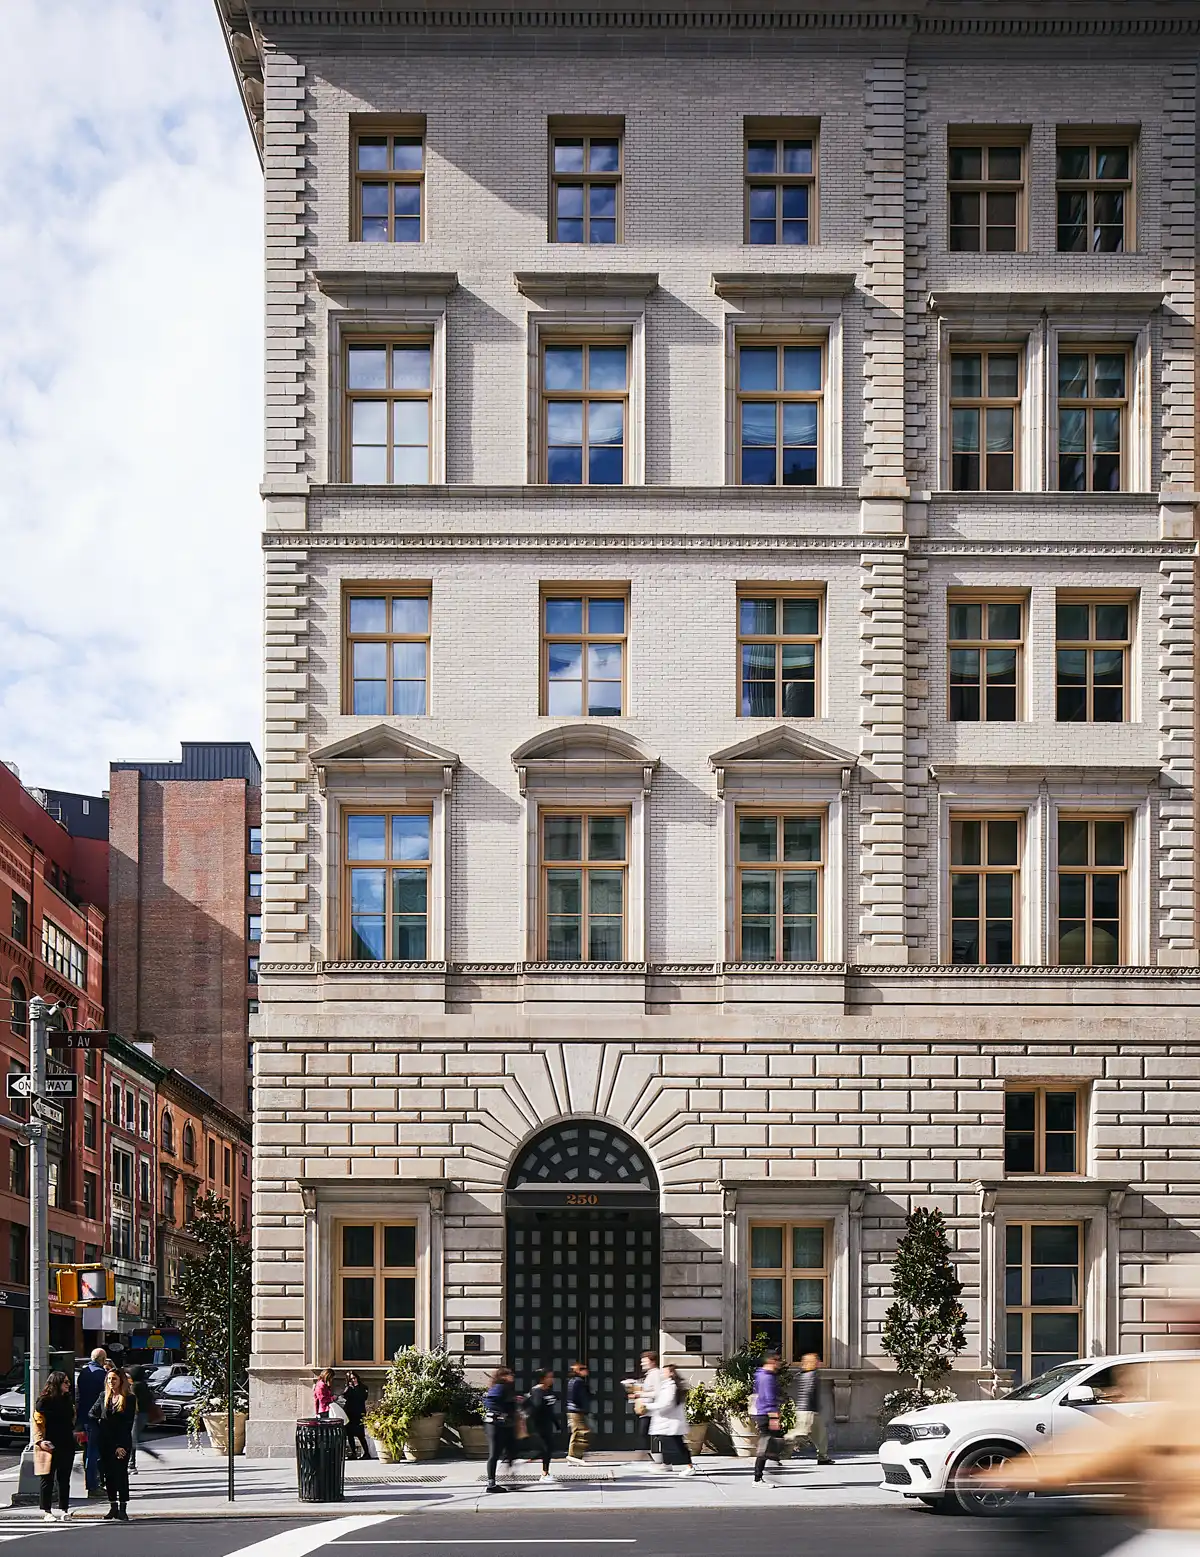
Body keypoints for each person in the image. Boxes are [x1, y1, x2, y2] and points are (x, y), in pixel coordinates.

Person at [90, 1367, 135, 1522]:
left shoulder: (129, 1398)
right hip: (106, 1441)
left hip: (121, 1442)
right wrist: (99, 1423)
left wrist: (120, 1445)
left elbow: (127, 1423)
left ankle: (123, 1508)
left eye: (114, 1379)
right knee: (108, 1474)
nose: (111, 1382)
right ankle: (113, 1506)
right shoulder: (103, 1396)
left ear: (120, 1380)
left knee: (120, 1474)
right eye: (109, 1379)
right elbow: (92, 1413)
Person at [34, 1371, 75, 1523]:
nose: (68, 1385)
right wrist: (39, 1441)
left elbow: (71, 1419)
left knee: (64, 1479)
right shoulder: (43, 1401)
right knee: (47, 1478)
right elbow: (37, 1423)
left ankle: (64, 1510)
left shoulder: (67, 1399)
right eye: (65, 1382)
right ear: (57, 1383)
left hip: (66, 1442)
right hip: (48, 1444)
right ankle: (47, 1511)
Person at [646, 1364, 695, 1477]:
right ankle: (666, 1464)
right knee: (664, 1442)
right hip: (666, 1422)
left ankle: (689, 1467)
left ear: (671, 1373)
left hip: (671, 1422)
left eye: (665, 1372)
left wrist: (648, 1406)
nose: (662, 1374)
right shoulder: (667, 1385)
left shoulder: (671, 1386)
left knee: (677, 1445)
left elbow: (666, 1403)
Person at [75, 1348, 108, 1499]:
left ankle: (93, 1483)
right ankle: (94, 1486)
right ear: (102, 1359)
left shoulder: (84, 1372)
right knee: (94, 1452)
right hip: (96, 1418)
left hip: (84, 1418)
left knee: (88, 1451)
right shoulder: (101, 1374)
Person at [751, 1351, 784, 1486]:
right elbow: (769, 1398)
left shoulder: (760, 1375)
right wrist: (774, 1416)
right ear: (771, 1361)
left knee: (770, 1442)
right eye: (777, 1361)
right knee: (765, 1446)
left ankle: (773, 1460)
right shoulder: (768, 1378)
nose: (779, 1364)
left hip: (761, 1412)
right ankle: (758, 1478)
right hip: (767, 1413)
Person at [795, 1353, 834, 1464]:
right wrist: (812, 1409)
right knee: (801, 1434)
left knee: (820, 1435)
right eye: (817, 1360)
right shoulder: (812, 1375)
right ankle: (782, 1449)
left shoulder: (802, 1374)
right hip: (809, 1410)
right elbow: (809, 1392)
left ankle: (823, 1457)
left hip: (805, 1410)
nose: (819, 1362)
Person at [483, 1366, 517, 1494]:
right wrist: (502, 1410)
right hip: (495, 1425)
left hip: (504, 1425)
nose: (512, 1377)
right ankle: (491, 1483)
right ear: (503, 1376)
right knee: (494, 1454)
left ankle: (510, 1479)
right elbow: (489, 1402)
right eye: (509, 1375)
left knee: (511, 1451)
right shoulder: (499, 1387)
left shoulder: (506, 1388)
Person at [526, 1368, 562, 1483]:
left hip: (547, 1423)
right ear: (542, 1378)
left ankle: (543, 1470)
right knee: (546, 1448)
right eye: (549, 1377)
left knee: (549, 1447)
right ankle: (544, 1474)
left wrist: (556, 1423)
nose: (552, 1379)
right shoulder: (537, 1391)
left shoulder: (548, 1390)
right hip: (539, 1424)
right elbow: (536, 1408)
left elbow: (550, 1410)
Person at [127, 1366, 160, 1473]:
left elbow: (131, 1401)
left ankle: (131, 1465)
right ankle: (152, 1455)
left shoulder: (135, 1386)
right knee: (135, 1439)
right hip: (143, 1415)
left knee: (133, 1440)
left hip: (136, 1415)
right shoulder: (144, 1385)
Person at [636, 1351, 662, 1462]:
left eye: (644, 1362)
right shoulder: (650, 1374)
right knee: (646, 1433)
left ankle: (655, 1458)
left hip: (652, 1410)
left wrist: (641, 1394)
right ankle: (652, 1458)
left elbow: (657, 1392)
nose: (642, 1364)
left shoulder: (656, 1374)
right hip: (647, 1410)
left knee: (647, 1433)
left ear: (652, 1362)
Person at [566, 1361, 592, 1464]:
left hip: (576, 1410)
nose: (586, 1370)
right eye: (583, 1369)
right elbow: (577, 1397)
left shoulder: (576, 1381)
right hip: (576, 1410)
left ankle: (576, 1456)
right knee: (579, 1432)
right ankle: (573, 1456)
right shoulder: (577, 1382)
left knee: (580, 1432)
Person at [341, 1371, 369, 1460]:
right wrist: (349, 1388)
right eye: (351, 1379)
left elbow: (363, 1397)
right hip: (350, 1413)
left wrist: (356, 1387)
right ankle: (353, 1453)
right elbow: (344, 1397)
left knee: (360, 1434)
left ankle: (366, 1453)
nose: (354, 1380)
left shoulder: (363, 1387)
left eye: (354, 1378)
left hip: (358, 1413)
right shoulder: (348, 1389)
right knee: (350, 1434)